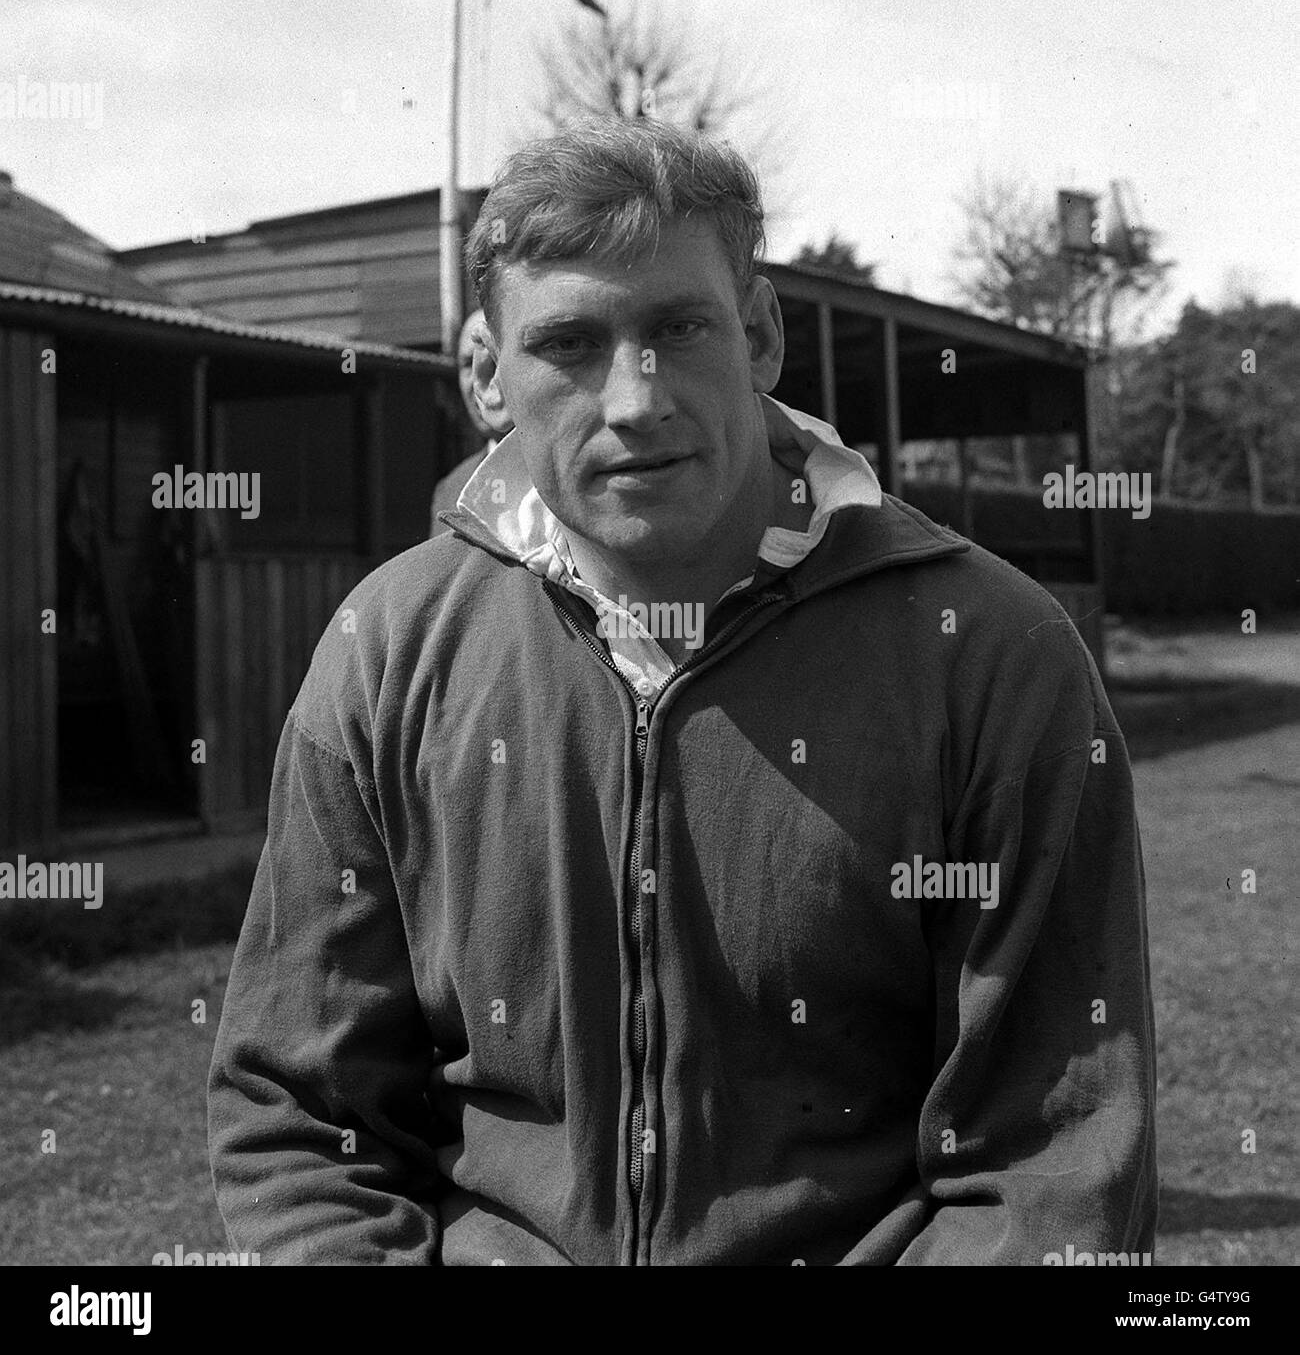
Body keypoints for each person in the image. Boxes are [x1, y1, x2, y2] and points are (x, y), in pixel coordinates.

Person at [208, 118, 1158, 1266]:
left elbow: (1048, 1169)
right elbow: (302, 1118)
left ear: (757, 334)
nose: (633, 400)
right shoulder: (386, 649)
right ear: (489, 375)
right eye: (566, 343)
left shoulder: (995, 656)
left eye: (678, 327)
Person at [429, 309, 507, 539]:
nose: (476, 381)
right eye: (466, 364)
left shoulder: (560, 472)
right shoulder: (452, 488)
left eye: (490, 360)